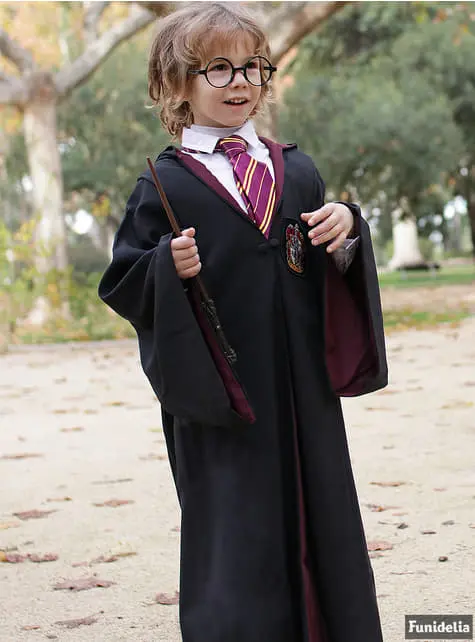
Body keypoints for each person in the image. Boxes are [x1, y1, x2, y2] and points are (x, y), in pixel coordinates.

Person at [98, 3, 388, 642]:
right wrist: (165, 265)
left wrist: (346, 232)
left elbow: (321, 268)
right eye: (218, 69)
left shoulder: (297, 171)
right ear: (177, 84)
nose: (240, 83)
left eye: (252, 67)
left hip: (303, 389)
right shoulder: (164, 185)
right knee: (236, 526)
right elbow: (122, 279)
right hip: (223, 394)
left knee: (321, 510)